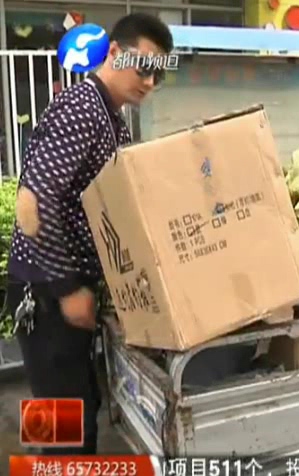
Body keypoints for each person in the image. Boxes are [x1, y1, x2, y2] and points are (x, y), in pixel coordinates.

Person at [4, 13, 174, 454]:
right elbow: (33, 200)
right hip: (46, 294)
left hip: (63, 291)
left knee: (77, 411)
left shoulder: (109, 118)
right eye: (143, 68)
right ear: (115, 52)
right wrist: (67, 289)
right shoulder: (82, 107)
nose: (149, 82)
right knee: (66, 429)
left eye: (158, 75)